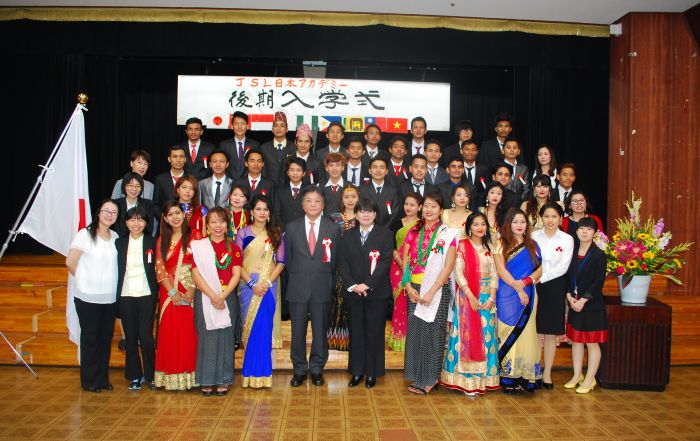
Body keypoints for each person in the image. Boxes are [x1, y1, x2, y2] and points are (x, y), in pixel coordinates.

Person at [401, 191, 459, 395]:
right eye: (426, 205)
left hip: (437, 290)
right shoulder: (413, 231)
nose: (429, 209)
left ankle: (431, 378)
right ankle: (417, 376)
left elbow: (449, 266)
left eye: (434, 206)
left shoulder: (448, 234)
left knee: (434, 334)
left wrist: (432, 291)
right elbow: (406, 262)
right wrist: (408, 287)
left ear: (441, 210)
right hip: (414, 290)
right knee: (416, 334)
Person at [286, 187, 342, 387]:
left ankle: (317, 369)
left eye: (317, 201)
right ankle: (299, 370)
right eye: (308, 200)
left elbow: (335, 260)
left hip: (322, 286)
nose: (313, 204)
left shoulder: (333, 228)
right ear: (302, 204)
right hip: (297, 287)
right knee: (297, 332)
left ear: (323, 204)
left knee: (320, 332)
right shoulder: (291, 228)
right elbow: (288, 260)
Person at [441, 212, 499, 395]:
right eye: (476, 224)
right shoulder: (462, 246)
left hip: (487, 298)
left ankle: (483, 380)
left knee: (486, 336)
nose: (480, 228)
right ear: (469, 228)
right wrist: (471, 297)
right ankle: (466, 381)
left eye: (483, 224)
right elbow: (458, 273)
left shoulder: (490, 247)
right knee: (465, 337)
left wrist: (491, 297)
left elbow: (495, 273)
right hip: (467, 297)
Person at [66, 199, 120, 392]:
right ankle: (89, 381)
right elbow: (70, 262)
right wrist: (85, 280)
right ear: (98, 212)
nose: (109, 215)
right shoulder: (85, 234)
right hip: (87, 298)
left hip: (109, 298)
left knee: (105, 339)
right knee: (90, 339)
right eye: (106, 211)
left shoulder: (115, 236)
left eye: (113, 212)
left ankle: (102, 379)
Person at [340, 198, 394, 388]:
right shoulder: (347, 235)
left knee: (374, 333)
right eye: (361, 211)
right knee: (356, 332)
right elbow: (342, 262)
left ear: (375, 214)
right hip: (353, 293)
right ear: (355, 214)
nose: (365, 214)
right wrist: (353, 285)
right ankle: (357, 372)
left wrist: (367, 285)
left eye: (369, 211)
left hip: (376, 292)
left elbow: (385, 262)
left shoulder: (385, 234)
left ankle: (372, 373)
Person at [235, 195, 286, 387]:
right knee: (250, 331)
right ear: (251, 212)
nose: (262, 213)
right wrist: (252, 284)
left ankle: (263, 375)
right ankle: (249, 375)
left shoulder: (276, 234)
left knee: (263, 331)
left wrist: (266, 282)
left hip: (268, 287)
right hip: (248, 287)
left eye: (265, 209)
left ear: (269, 213)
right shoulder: (242, 233)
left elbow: (281, 262)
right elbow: (237, 263)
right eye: (258, 209)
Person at [191, 207, 242, 396]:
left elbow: (236, 274)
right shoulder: (199, 247)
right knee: (207, 337)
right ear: (207, 225)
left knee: (226, 338)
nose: (217, 225)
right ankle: (206, 379)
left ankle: (223, 380)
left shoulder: (234, 248)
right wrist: (213, 296)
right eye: (213, 221)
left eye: (221, 221)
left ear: (227, 225)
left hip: (227, 297)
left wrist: (223, 295)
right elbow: (195, 274)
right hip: (205, 296)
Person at [494, 208, 543, 394]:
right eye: (515, 222)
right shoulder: (500, 243)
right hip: (506, 294)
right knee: (507, 331)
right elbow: (501, 270)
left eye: (523, 222)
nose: (519, 225)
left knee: (527, 333)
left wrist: (525, 283)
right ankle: (508, 376)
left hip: (528, 293)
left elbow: (540, 270)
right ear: (509, 223)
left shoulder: (533, 245)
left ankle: (525, 376)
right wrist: (518, 287)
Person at [154, 201, 199, 390]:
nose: (175, 217)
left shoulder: (195, 236)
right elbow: (159, 267)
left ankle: (190, 377)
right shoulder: (162, 239)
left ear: (183, 214)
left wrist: (192, 289)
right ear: (165, 218)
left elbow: (200, 264)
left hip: (190, 291)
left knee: (188, 333)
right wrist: (172, 291)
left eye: (177, 213)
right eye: (170, 214)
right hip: (169, 293)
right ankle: (170, 377)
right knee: (170, 334)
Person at [115, 206, 158, 391]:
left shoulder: (152, 242)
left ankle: (151, 375)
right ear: (126, 222)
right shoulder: (119, 243)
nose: (136, 223)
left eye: (140, 219)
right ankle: (134, 375)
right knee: (131, 337)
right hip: (126, 294)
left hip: (146, 294)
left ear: (146, 223)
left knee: (146, 336)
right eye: (132, 219)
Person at [531, 203, 573, 389]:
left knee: (550, 332)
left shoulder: (567, 239)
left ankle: (547, 373)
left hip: (555, 286)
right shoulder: (533, 236)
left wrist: (542, 278)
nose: (550, 220)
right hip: (534, 285)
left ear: (560, 218)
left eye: (554, 216)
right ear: (541, 218)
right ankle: (534, 371)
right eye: (546, 216)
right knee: (535, 330)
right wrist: (534, 279)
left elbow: (564, 266)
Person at [564, 217, 608, 394]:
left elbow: (598, 282)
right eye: (582, 228)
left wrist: (583, 300)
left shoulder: (599, 255)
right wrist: (569, 297)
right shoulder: (572, 252)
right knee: (576, 341)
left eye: (589, 229)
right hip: (574, 302)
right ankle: (577, 376)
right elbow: (567, 277)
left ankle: (590, 380)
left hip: (591, 305)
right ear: (576, 232)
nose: (584, 232)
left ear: (595, 233)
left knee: (591, 343)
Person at [327, 185, 360, 352]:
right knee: (338, 302)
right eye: (346, 197)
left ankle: (355, 341)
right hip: (338, 268)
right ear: (341, 199)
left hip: (359, 269)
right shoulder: (333, 218)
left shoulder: (364, 217)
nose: (350, 200)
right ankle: (336, 340)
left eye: (353, 196)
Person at [388, 193, 422, 352]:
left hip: (417, 268)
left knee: (414, 302)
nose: (408, 207)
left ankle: (414, 340)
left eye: (412, 205)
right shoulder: (397, 222)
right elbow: (392, 246)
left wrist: (410, 266)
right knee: (400, 303)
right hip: (397, 267)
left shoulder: (422, 224)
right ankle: (399, 340)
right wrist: (401, 263)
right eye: (406, 204)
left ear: (420, 207)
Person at [113, 172, 158, 237]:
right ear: (124, 186)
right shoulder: (117, 204)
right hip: (119, 240)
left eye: (137, 186)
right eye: (130, 185)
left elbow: (149, 227)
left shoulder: (148, 204)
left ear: (141, 188)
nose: (134, 189)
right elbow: (115, 226)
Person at [360, 156, 400, 228]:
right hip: (366, 229)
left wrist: (383, 231)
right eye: (375, 167)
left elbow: (395, 215)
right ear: (369, 170)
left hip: (388, 230)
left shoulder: (394, 191)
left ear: (386, 171)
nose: (378, 170)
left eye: (382, 167)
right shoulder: (361, 190)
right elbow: (359, 212)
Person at [219, 111, 260, 181]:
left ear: (247, 126)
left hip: (248, 183)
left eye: (243, 124)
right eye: (236, 124)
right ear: (232, 126)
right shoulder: (224, 145)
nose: (239, 127)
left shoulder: (255, 145)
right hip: (229, 182)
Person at [274, 157, 308, 230]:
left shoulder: (309, 191)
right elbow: (276, 214)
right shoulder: (279, 191)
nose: (295, 173)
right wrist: (286, 229)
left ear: (304, 173)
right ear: (288, 173)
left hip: (305, 230)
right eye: (292, 170)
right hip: (285, 231)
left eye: (298, 170)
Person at [260, 111, 291, 188]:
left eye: (282, 126)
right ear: (272, 129)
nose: (278, 128)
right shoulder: (263, 148)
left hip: (287, 189)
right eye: (276, 125)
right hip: (268, 188)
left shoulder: (294, 148)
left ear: (287, 129)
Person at [180, 117, 215, 181]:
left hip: (204, 184)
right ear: (186, 131)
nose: (193, 132)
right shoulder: (180, 148)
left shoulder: (210, 148)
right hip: (185, 183)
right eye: (190, 129)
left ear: (201, 132)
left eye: (196, 129)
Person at [154, 146, 187, 210]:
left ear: (185, 159)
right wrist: (163, 216)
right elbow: (156, 204)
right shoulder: (160, 179)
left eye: (181, 156)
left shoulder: (191, 179)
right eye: (175, 157)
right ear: (169, 159)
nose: (178, 160)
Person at [461, 140, 491, 206]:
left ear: (477, 152)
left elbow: (486, 189)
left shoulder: (484, 169)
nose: (470, 152)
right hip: (461, 203)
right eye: (467, 149)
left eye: (473, 150)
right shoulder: (457, 169)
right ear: (461, 151)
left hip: (479, 205)